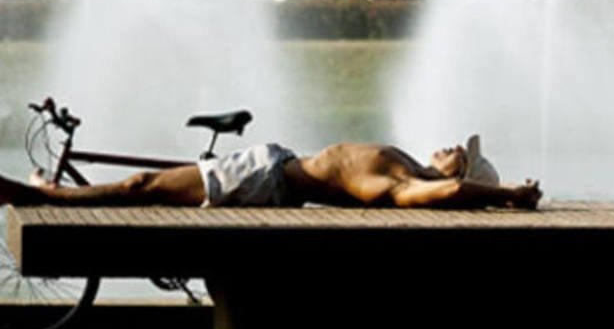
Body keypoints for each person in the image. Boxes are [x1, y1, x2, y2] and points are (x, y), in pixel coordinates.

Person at [0, 134, 542, 210]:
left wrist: (511, 194)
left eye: (459, 152)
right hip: (273, 167)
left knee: (143, 188)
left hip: (268, 179)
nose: (450, 145)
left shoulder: (400, 185)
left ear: (462, 173)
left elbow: (444, 192)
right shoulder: (403, 168)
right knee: (149, 186)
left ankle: (48, 199)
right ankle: (50, 195)